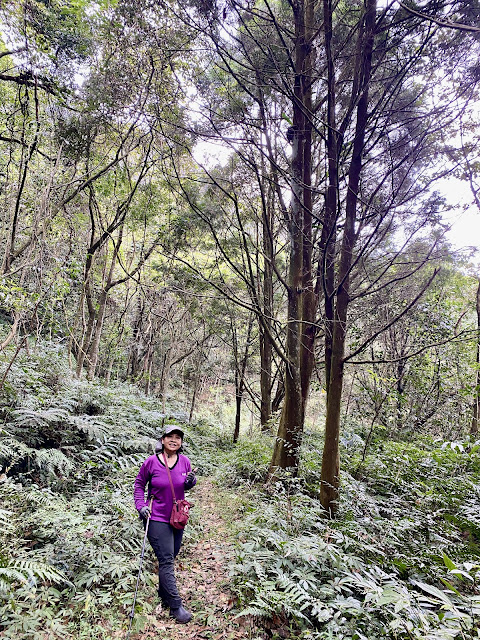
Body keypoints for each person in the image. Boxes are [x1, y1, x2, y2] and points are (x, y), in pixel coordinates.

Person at [134, 425, 197, 624]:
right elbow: (138, 485)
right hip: (156, 517)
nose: (173, 440)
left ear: (181, 443)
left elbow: (184, 485)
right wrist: (141, 506)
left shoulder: (185, 461)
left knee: (171, 554)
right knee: (167, 559)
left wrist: (190, 482)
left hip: (178, 517)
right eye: (170, 436)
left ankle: (163, 592)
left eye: (177, 437)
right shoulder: (151, 462)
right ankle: (175, 606)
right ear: (162, 440)